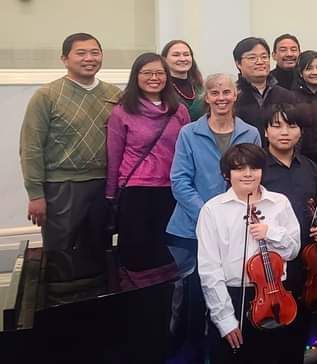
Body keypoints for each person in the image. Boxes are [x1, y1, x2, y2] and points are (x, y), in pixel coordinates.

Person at [166, 73, 261, 362]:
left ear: (235, 95)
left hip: (236, 230)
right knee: (193, 301)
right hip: (190, 230)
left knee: (227, 296)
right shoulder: (188, 133)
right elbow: (179, 180)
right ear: (206, 97)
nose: (221, 98)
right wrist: (209, 214)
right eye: (215, 93)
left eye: (226, 92)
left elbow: (253, 177)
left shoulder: (251, 133)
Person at [20, 33, 121, 289]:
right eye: (81, 53)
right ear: (65, 59)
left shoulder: (114, 94)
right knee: (61, 252)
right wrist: (35, 194)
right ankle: (60, 306)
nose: (89, 58)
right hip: (61, 186)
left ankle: (96, 306)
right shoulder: (47, 95)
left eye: (95, 52)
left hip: (103, 185)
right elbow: (31, 147)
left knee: (99, 247)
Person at [196, 144, 301, 363]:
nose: (247, 174)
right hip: (232, 298)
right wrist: (224, 318)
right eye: (239, 169)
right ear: (227, 174)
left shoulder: (279, 203)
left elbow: (293, 250)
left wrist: (270, 232)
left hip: (275, 301)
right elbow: (209, 271)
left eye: (254, 168)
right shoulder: (212, 210)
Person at [106, 53, 191, 275]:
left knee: (169, 254)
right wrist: (110, 194)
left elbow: (188, 151)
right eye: (147, 72)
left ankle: (167, 306)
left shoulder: (179, 110)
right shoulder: (122, 111)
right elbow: (114, 155)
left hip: (171, 190)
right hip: (137, 192)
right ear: (136, 76)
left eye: (160, 73)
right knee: (138, 257)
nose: (154, 77)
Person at [259, 104, 317, 364]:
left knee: (300, 329)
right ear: (266, 132)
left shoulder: (309, 167)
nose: (285, 133)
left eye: (292, 126)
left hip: (306, 263)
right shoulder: (257, 169)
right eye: (276, 126)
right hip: (270, 264)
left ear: (300, 132)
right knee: (268, 336)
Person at [232, 37, 302, 140]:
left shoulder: (287, 96)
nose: (260, 62)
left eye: (264, 57)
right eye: (252, 58)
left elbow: (297, 131)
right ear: (238, 63)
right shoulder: (232, 96)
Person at [162, 39, 207, 120]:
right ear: (165, 59)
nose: (182, 59)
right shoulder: (161, 89)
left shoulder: (202, 87)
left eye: (186, 54)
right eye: (176, 55)